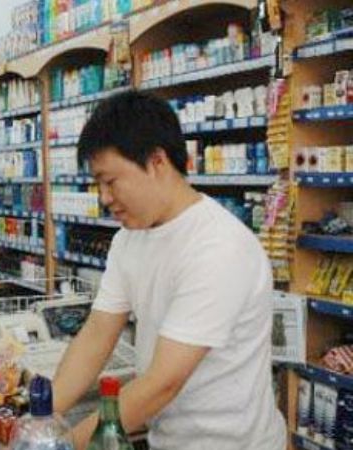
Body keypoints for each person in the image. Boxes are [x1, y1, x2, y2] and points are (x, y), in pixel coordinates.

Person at [52, 90, 286, 450]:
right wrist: (39, 418)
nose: (104, 197)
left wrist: (63, 445)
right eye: (97, 184)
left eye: (110, 181)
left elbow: (163, 383)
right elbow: (97, 335)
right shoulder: (129, 239)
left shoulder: (218, 247)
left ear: (157, 162)